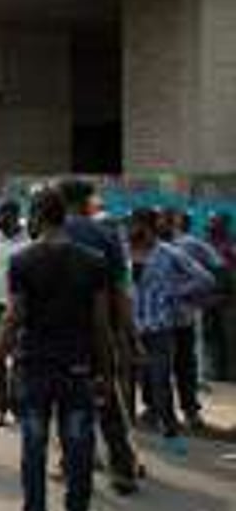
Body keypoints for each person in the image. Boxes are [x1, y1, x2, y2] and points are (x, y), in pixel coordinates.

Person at [0, 186, 112, 511]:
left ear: (39, 218)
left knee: (34, 449)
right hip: (77, 369)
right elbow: (100, 325)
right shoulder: (93, 262)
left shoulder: (23, 261)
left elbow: (12, 318)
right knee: (78, 450)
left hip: (34, 369)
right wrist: (105, 372)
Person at [58, 178, 141, 494]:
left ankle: (73, 462)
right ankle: (122, 468)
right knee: (107, 395)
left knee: (66, 400)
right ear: (87, 201)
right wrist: (130, 334)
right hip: (100, 330)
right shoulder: (106, 235)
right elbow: (120, 291)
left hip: (60, 330)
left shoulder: (52, 233)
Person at [128, 207, 215, 457]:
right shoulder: (124, 252)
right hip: (129, 328)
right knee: (127, 382)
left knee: (160, 380)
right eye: (130, 225)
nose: (131, 230)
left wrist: (175, 293)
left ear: (149, 228)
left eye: (136, 226)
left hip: (159, 328)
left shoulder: (169, 254)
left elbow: (205, 279)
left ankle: (170, 432)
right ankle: (128, 434)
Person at [164, 208, 225, 427]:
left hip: (165, 318)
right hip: (182, 313)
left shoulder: (179, 246)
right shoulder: (190, 245)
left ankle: (167, 412)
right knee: (184, 363)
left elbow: (215, 270)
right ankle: (188, 411)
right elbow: (218, 267)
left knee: (170, 364)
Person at [0, 200, 28, 426]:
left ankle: (19, 405)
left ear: (12, 215)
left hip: (20, 307)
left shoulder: (29, 238)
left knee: (20, 357)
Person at [204, 213, 234, 382]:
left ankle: (230, 374)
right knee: (211, 335)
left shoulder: (230, 245)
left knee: (229, 337)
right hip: (210, 297)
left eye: (215, 224)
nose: (210, 228)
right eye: (210, 224)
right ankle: (216, 373)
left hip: (228, 298)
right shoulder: (206, 245)